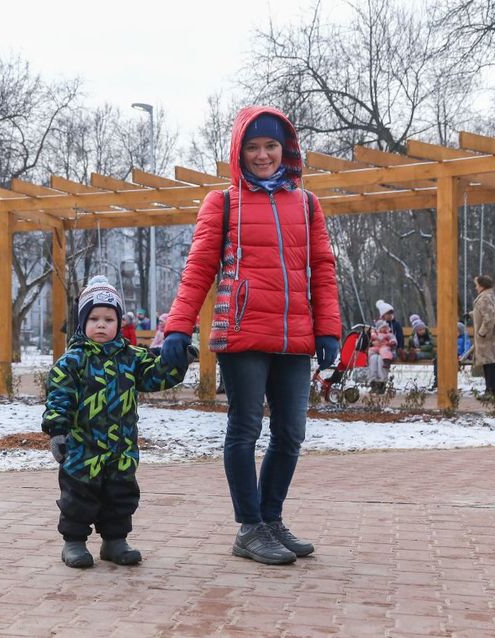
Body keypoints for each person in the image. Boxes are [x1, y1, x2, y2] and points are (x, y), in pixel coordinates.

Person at [160, 106, 341, 566]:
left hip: (295, 334)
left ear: (287, 150)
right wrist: (177, 327)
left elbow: (322, 268)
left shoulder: (306, 203)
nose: (263, 155)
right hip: (241, 334)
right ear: (238, 153)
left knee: (291, 433)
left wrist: (329, 329)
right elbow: (198, 269)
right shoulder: (222, 204)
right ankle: (249, 527)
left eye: (271, 146)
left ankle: (271, 519)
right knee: (245, 429)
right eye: (253, 147)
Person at [42, 276, 192, 568]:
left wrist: (178, 361)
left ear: (119, 323)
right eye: (94, 318)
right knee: (78, 498)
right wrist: (57, 432)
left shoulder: (132, 358)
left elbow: (155, 376)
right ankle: (73, 543)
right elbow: (58, 398)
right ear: (82, 322)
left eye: (109, 319)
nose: (101, 325)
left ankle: (115, 541)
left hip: (121, 448)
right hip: (83, 449)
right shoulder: (72, 361)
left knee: (120, 496)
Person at [471, 275, 495, 397]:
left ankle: (492, 392)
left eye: (476, 284)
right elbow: (485, 312)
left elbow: (489, 318)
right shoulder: (489, 296)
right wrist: (471, 314)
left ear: (482, 285)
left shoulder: (484, 298)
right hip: (493, 338)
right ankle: (490, 391)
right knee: (490, 364)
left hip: (489, 339)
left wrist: (482, 333)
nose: (475, 287)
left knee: (491, 365)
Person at [366, 319, 397, 393]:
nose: (384, 329)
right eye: (382, 327)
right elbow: (370, 340)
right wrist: (372, 341)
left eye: (385, 327)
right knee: (373, 359)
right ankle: (373, 382)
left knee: (381, 360)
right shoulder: (375, 334)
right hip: (375, 350)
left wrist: (391, 343)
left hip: (385, 351)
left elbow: (393, 340)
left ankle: (382, 383)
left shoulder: (389, 334)